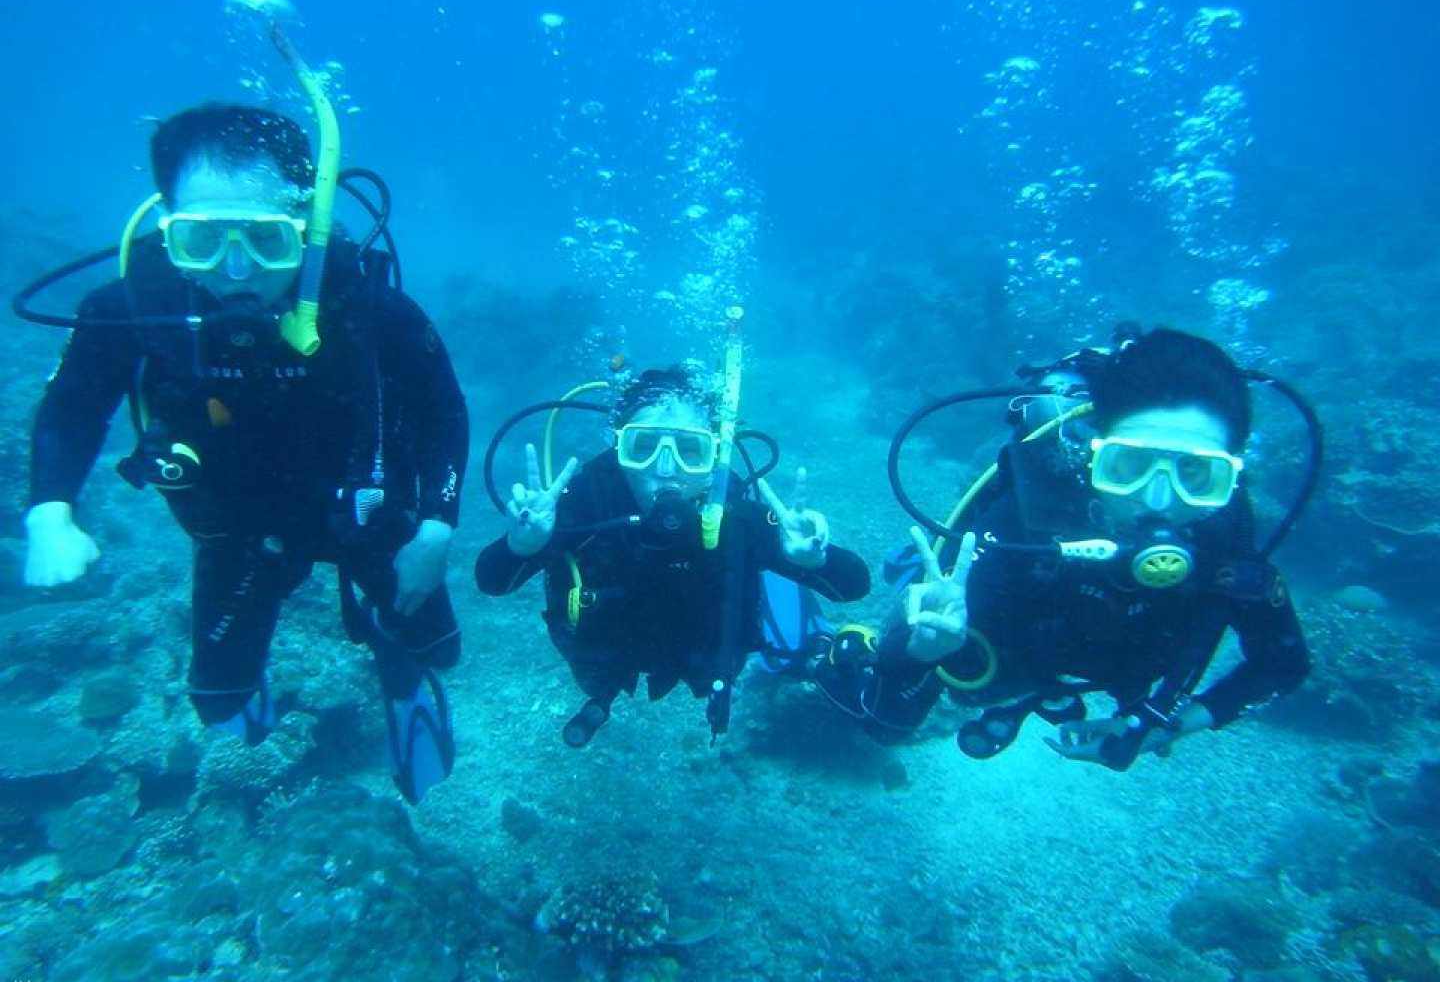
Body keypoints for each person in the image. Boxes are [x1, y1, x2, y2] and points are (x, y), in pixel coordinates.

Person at [22, 103, 468, 803]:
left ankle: (402, 682)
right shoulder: (129, 309)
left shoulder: (368, 307)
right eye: (201, 239)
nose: (235, 269)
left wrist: (436, 527)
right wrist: (50, 512)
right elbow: (74, 405)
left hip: (367, 516)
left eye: (265, 239)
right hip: (235, 526)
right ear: (168, 225)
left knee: (436, 646)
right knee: (218, 698)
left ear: (305, 223)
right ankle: (252, 740)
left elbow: (443, 409)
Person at [813, 328, 1311, 771]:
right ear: (1094, 454)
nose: (1159, 499)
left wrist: (1164, 727)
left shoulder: (1226, 537)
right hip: (1017, 654)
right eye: (1129, 465)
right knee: (887, 719)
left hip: (1099, 664)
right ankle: (869, 624)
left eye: (1197, 474)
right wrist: (923, 650)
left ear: (1231, 476)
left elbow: (1282, 664)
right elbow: (891, 717)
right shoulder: (1025, 523)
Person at [475, 365, 871, 746]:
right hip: (607, 658)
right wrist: (522, 546)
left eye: (690, 450)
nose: (665, 469)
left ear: (714, 455)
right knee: (599, 678)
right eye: (643, 447)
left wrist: (813, 560)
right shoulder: (588, 501)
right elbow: (491, 580)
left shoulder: (735, 514)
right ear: (619, 447)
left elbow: (854, 585)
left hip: (705, 657)